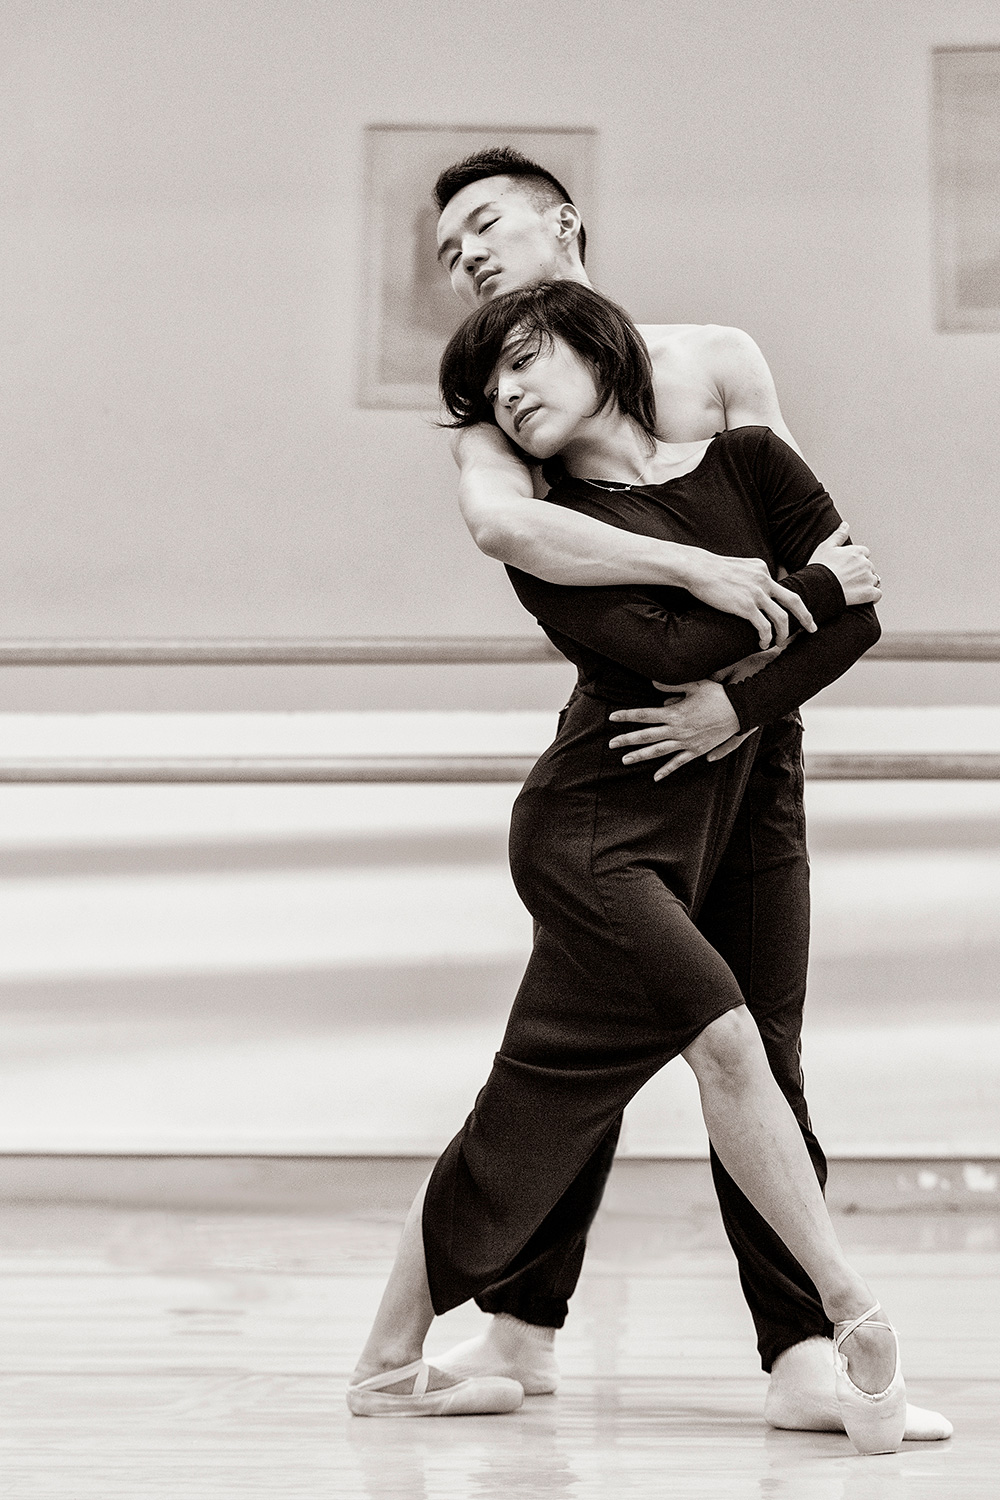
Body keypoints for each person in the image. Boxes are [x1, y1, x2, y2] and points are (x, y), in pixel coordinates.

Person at [428, 147, 951, 1443]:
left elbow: (824, 567)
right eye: (448, 251)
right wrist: (708, 580)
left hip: (753, 749)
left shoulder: (715, 359)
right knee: (595, 1041)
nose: (468, 255)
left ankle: (805, 1354)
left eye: (485, 224)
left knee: (764, 1045)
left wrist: (742, 705)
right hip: (631, 745)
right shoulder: (501, 416)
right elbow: (509, 529)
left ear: (565, 222)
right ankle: (520, 1326)